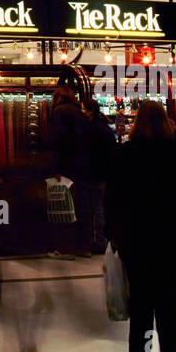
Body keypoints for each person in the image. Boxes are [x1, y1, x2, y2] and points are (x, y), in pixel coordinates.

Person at [105, 101, 176, 352]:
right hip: (170, 240)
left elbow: (112, 197)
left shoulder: (125, 154)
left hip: (136, 240)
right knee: (170, 307)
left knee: (141, 306)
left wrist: (114, 233)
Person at [48, 79, 91, 257]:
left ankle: (65, 247)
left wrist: (56, 167)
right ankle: (83, 246)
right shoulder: (79, 113)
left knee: (64, 206)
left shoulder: (59, 113)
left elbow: (58, 141)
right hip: (82, 166)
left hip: (66, 167)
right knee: (80, 206)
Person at [80, 97, 116, 253]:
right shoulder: (105, 128)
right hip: (104, 173)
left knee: (96, 209)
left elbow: (90, 153)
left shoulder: (91, 129)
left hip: (95, 173)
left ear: (90, 111)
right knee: (100, 208)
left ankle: (99, 241)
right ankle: (102, 240)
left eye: (83, 109)